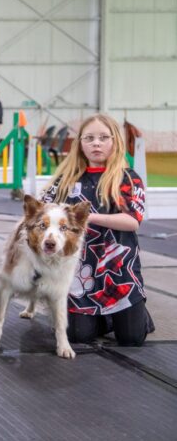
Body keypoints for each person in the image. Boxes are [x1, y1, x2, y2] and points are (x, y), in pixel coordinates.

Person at [41, 114, 152, 346]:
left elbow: (132, 220)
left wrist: (87, 218)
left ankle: (134, 312)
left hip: (119, 270)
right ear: (80, 143)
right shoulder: (64, 181)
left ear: (115, 142)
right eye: (89, 138)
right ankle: (103, 317)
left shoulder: (128, 178)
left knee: (132, 339)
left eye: (103, 138)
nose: (96, 143)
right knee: (77, 336)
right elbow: (43, 215)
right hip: (78, 270)